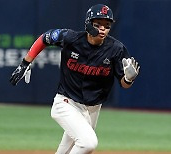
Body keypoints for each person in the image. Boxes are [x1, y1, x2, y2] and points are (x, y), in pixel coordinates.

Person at [9, 4, 140, 154]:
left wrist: (129, 79)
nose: (103, 28)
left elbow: (124, 84)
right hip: (66, 103)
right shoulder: (71, 38)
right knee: (88, 143)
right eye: (98, 24)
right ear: (88, 24)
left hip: (93, 109)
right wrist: (25, 62)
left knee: (73, 149)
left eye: (107, 25)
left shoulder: (116, 49)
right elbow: (45, 38)